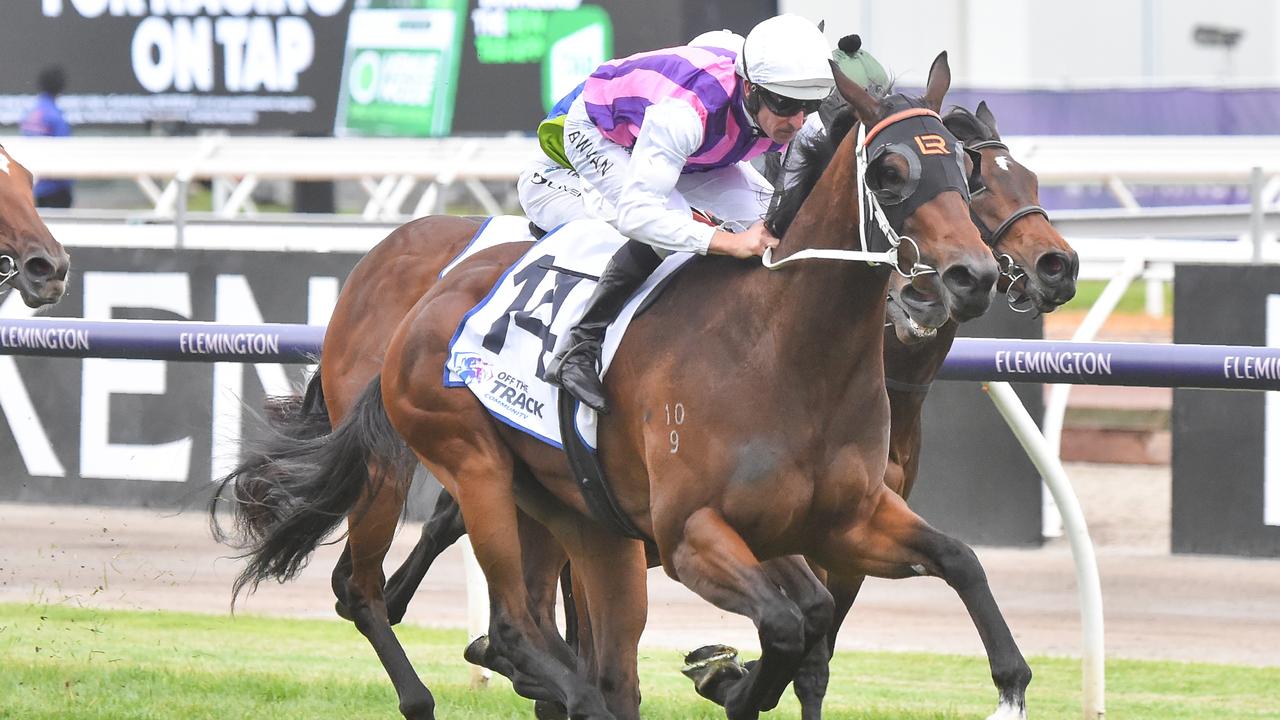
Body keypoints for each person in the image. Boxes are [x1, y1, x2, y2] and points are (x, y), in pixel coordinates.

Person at [522, 14, 835, 413]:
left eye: (810, 105)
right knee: (668, 227)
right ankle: (579, 346)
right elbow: (639, 217)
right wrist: (728, 241)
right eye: (787, 105)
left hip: (694, 152)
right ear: (752, 88)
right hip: (600, 134)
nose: (798, 120)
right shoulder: (685, 112)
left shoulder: (789, 103)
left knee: (771, 223)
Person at [19, 66, 73, 208]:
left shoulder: (31, 114)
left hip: (34, 184)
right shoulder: (56, 117)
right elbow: (64, 150)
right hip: (55, 186)